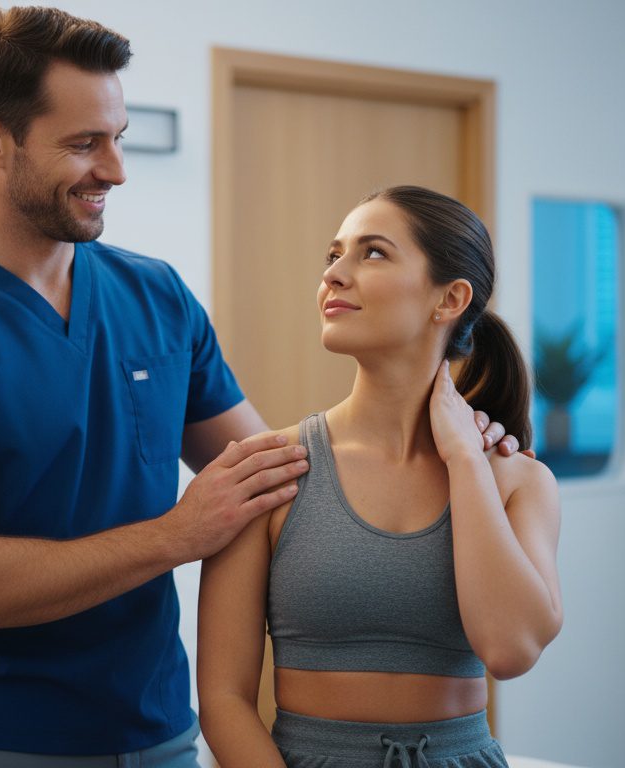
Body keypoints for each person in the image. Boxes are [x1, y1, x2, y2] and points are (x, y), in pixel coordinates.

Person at [0, 7, 524, 766]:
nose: (116, 169)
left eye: (118, 137)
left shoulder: (156, 297)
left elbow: (278, 477)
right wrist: (177, 535)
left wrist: (450, 437)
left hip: (159, 734)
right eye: (83, 143)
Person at [197, 186, 562, 767]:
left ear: (450, 299)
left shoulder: (516, 480)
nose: (334, 275)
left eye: (372, 253)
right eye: (333, 255)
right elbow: (223, 700)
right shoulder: (268, 470)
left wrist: (466, 460)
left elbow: (510, 649)